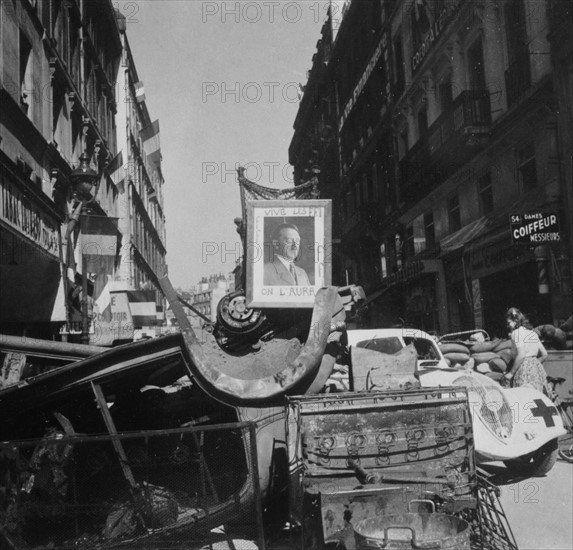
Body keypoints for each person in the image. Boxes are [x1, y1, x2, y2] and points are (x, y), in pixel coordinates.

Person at [503, 307, 548, 392]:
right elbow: (545, 354)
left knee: (523, 395)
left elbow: (521, 354)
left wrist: (511, 373)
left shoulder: (516, 333)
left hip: (522, 368)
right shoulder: (532, 333)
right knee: (536, 396)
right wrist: (534, 363)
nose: (508, 326)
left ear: (515, 321)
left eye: (508, 323)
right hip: (536, 369)